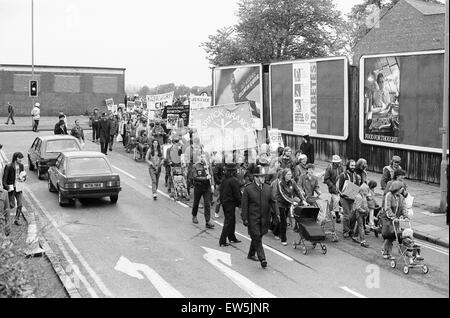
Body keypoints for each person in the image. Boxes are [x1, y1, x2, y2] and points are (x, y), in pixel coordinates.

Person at [241, 165, 279, 269]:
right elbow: (244, 205)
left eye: (264, 177)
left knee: (258, 236)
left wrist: (277, 214)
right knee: (257, 237)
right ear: (255, 177)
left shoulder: (267, 188)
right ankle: (262, 259)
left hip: (264, 218)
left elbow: (273, 202)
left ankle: (251, 254)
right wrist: (244, 218)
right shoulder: (248, 189)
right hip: (253, 218)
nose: (263, 178)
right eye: (261, 177)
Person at [272, 168, 306, 245]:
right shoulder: (280, 183)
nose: (290, 176)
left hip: (288, 203)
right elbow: (283, 195)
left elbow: (297, 191)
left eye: (290, 174)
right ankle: (283, 239)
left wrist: (303, 200)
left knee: (282, 220)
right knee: (284, 221)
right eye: (288, 174)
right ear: (284, 175)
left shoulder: (292, 182)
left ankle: (275, 231)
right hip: (281, 203)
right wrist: (292, 201)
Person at [380, 180, 408, 259]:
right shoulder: (389, 195)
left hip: (396, 219)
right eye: (401, 188)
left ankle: (391, 252)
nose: (402, 190)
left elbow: (404, 207)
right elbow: (387, 208)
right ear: (397, 188)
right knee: (389, 235)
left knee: (395, 235)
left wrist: (406, 216)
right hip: (388, 218)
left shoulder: (401, 197)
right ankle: (385, 251)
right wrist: (393, 217)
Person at [218, 164, 242, 247]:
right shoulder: (233, 180)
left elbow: (221, 190)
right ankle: (222, 240)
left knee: (231, 220)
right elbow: (237, 194)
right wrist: (240, 203)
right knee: (229, 221)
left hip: (225, 202)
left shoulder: (224, 179)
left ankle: (232, 237)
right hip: (230, 203)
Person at [337, 159, 361, 238]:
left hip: (352, 198)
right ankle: (346, 231)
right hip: (344, 198)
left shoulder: (356, 176)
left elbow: (357, 187)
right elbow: (339, 188)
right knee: (346, 215)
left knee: (353, 215)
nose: (353, 167)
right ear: (348, 166)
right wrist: (344, 194)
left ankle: (351, 230)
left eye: (354, 165)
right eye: (351, 165)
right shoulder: (343, 175)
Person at [191, 153, 215, 229]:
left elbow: (211, 175)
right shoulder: (195, 166)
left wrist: (212, 185)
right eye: (201, 157)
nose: (203, 158)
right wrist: (205, 178)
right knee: (196, 202)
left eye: (204, 157)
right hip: (198, 187)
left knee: (207, 204)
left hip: (206, 187)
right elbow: (195, 177)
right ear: (199, 157)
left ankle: (207, 221)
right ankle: (194, 215)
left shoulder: (208, 166)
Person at [2, 152, 25, 226]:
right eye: (20, 158)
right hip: (11, 188)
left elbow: (23, 175)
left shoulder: (21, 166)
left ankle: (16, 219)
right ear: (15, 158)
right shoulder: (9, 166)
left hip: (19, 187)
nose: (21, 160)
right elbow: (4, 179)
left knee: (20, 204)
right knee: (11, 205)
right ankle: (3, 218)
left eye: (21, 158)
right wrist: (6, 186)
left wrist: (23, 179)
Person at [324, 155, 344, 223]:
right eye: (337, 162)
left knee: (333, 201)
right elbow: (326, 179)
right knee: (336, 200)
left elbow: (343, 176)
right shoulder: (329, 168)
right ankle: (337, 215)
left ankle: (329, 212)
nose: (338, 163)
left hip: (340, 186)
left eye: (339, 161)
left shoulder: (341, 167)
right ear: (334, 162)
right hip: (333, 187)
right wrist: (332, 186)